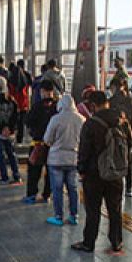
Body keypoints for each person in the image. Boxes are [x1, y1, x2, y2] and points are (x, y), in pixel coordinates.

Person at [71, 90, 130, 256]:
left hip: (94, 174)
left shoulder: (91, 124)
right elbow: (129, 146)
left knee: (93, 210)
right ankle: (117, 242)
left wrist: (81, 170)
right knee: (115, 210)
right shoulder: (122, 122)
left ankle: (89, 243)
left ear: (93, 105)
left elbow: (84, 150)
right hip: (116, 174)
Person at [43, 93, 84, 226]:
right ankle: (74, 215)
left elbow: (47, 139)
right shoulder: (81, 119)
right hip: (73, 158)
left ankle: (58, 216)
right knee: (73, 188)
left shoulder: (56, 119)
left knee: (57, 188)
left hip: (56, 159)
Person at [22, 79, 57, 204]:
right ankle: (47, 195)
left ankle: (32, 195)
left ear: (42, 91)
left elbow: (28, 122)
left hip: (38, 143)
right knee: (50, 171)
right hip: (53, 145)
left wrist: (34, 132)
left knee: (34, 171)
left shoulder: (37, 106)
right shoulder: (57, 106)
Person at [0, 76, 21, 184]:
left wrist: (0, 129)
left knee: (0, 155)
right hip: (9, 133)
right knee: (11, 154)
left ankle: (4, 176)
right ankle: (16, 175)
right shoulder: (12, 101)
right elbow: (16, 117)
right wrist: (9, 128)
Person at [109, 78, 132, 197]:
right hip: (128, 131)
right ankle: (129, 188)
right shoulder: (130, 99)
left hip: (115, 133)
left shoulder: (112, 100)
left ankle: (115, 185)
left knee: (114, 158)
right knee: (128, 160)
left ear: (114, 87)